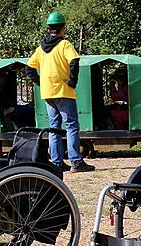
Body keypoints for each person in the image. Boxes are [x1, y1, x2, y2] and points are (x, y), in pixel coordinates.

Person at [26, 11, 95, 172]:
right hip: (64, 91)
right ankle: (76, 162)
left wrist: (40, 82)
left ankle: (57, 162)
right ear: (62, 28)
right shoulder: (65, 44)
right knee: (71, 125)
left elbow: (29, 68)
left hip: (48, 93)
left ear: (49, 29)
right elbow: (74, 61)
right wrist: (72, 81)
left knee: (54, 126)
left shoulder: (41, 48)